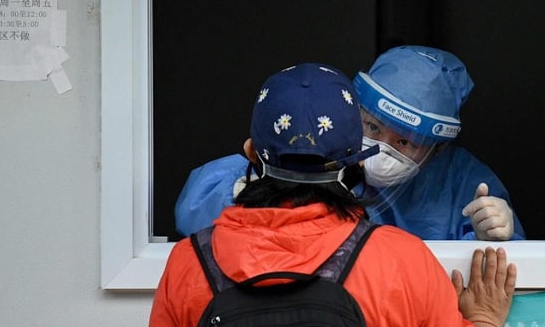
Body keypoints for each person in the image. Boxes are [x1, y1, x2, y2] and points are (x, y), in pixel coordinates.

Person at [131, 62, 517, 327]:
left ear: (250, 152)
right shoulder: (400, 259)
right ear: (357, 158)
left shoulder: (191, 261)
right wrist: (483, 320)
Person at [174, 45, 525, 241]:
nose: (380, 148)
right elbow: (194, 211)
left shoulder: (463, 182)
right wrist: (245, 189)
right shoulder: (319, 150)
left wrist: (497, 240)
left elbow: (493, 275)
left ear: (437, 149)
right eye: (371, 127)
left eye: (404, 142)